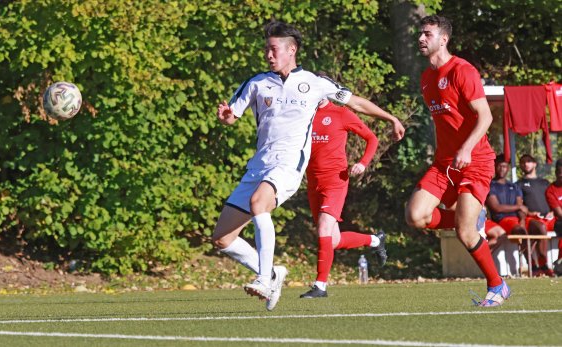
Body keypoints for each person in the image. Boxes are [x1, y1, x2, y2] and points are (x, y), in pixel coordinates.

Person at [213, 20, 405, 311]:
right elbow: (232, 115)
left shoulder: (316, 83)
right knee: (223, 238)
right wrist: (226, 117)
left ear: (291, 50)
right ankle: (274, 272)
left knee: (258, 204)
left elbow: (357, 104)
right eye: (266, 49)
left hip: (289, 165)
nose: (268, 54)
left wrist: (390, 118)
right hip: (259, 167)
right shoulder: (256, 83)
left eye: (273, 49)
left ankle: (265, 279)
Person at [405, 15, 510, 307]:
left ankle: (497, 285)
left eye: (427, 33)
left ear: (444, 39)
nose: (421, 38)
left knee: (465, 233)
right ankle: (471, 218)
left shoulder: (462, 70)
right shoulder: (426, 78)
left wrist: (465, 148)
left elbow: (485, 116)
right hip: (444, 164)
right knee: (414, 216)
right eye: (420, 34)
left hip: (475, 161)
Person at [299, 97, 387, 299]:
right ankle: (375, 241)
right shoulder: (304, 113)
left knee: (323, 228)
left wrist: (363, 163)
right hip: (313, 184)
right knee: (333, 240)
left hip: (335, 181)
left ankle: (320, 286)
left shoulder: (341, 113)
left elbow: (372, 138)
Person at [517, 154, 555, 277]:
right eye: (523, 162)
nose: (526, 164)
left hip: (549, 218)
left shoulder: (544, 182)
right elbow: (519, 205)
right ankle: (542, 265)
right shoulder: (519, 184)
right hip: (531, 219)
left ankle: (556, 264)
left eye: (529, 161)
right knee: (539, 228)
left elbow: (552, 199)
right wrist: (529, 213)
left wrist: (553, 211)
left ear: (535, 164)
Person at [485, 154, 529, 255]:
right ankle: (532, 264)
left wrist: (522, 219)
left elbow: (521, 210)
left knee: (537, 227)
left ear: (508, 168)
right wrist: (518, 207)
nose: (502, 169)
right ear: (495, 167)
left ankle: (542, 264)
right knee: (520, 230)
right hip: (502, 220)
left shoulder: (514, 186)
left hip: (517, 220)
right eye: (499, 166)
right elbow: (496, 208)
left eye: (504, 166)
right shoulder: (491, 185)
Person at [545, 159, 562, 274]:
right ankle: (560, 263)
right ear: (556, 172)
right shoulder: (551, 190)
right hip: (559, 221)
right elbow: (559, 213)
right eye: (560, 173)